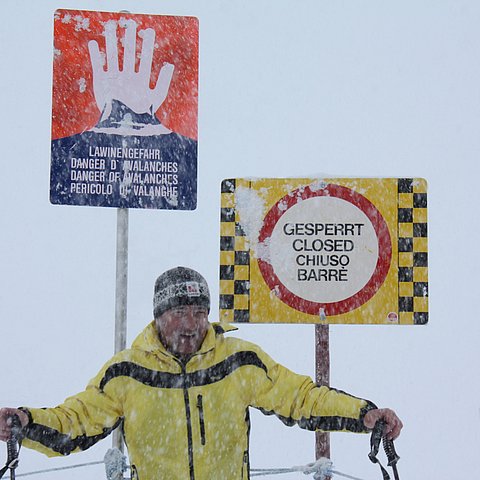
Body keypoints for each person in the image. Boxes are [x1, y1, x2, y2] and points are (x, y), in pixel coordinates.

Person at [0, 267, 402, 480]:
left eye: (199, 312)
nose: (190, 324)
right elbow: (76, 423)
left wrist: (362, 413)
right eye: (179, 313)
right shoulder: (127, 372)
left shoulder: (237, 362)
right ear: (159, 317)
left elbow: (300, 397)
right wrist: (26, 421)